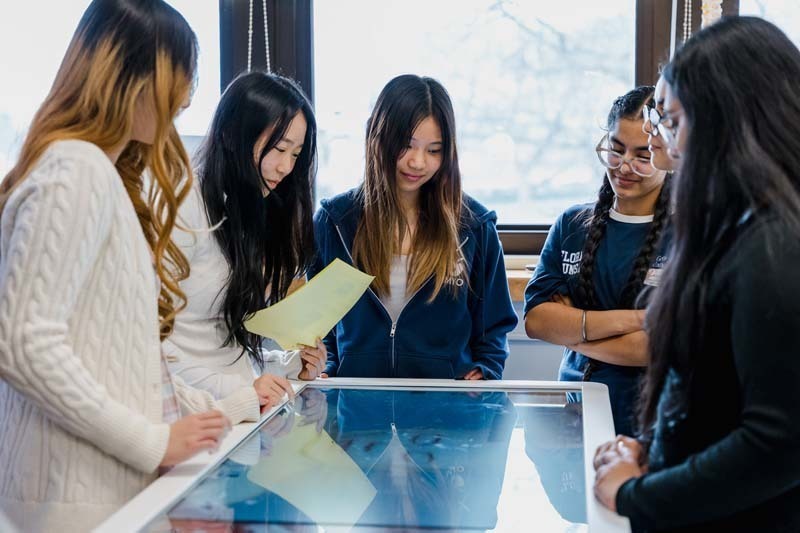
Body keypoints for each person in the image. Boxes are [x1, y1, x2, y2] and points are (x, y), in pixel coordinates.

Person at [0, 1, 243, 530]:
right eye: (180, 77)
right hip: (72, 502)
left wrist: (210, 413)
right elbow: (23, 344)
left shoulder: (99, 172)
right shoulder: (77, 168)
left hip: (100, 492)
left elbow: (119, 360)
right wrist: (153, 442)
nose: (186, 98)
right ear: (133, 77)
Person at [593, 16, 800, 532]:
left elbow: (777, 444)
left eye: (671, 121)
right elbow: (714, 398)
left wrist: (635, 494)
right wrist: (655, 451)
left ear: (726, 121)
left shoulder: (774, 245)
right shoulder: (737, 226)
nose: (664, 145)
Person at [310, 74, 517, 379]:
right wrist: (325, 367)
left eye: (434, 150)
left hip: (444, 403)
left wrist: (486, 369)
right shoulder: (336, 222)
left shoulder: (474, 226)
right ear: (377, 137)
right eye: (406, 145)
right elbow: (319, 323)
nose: (418, 162)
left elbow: (493, 327)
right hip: (357, 400)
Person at [166, 71, 326, 413]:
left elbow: (223, 342)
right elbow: (154, 350)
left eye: (296, 154)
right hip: (188, 413)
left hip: (233, 413)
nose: (286, 167)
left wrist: (289, 365)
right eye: (279, 149)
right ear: (232, 135)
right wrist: (242, 389)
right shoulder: (184, 206)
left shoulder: (249, 209)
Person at [524, 86, 671, 436]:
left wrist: (573, 333)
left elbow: (655, 347)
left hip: (650, 422)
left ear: (666, 152)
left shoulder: (688, 233)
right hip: (576, 416)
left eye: (642, 156)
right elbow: (537, 321)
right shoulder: (572, 224)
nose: (624, 167)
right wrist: (636, 319)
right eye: (616, 150)